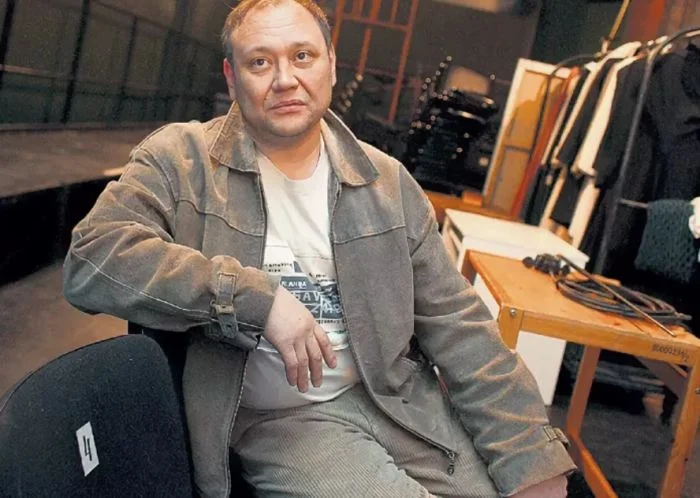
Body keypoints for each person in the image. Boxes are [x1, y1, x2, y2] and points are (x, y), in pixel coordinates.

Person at [63, 1, 575, 496]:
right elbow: (93, 257)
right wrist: (255, 300)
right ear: (231, 77)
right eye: (260, 62)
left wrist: (530, 455)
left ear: (331, 64)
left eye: (302, 56)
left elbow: (460, 326)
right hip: (284, 418)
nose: (285, 79)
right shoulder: (181, 160)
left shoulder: (387, 183)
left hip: (397, 403)